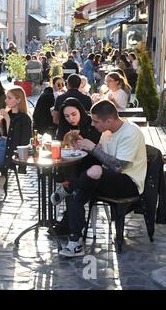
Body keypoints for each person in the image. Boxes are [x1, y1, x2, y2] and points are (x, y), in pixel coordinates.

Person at [56, 100, 146, 257]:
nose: (93, 124)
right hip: (106, 179)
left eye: (96, 121)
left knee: (95, 171)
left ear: (109, 120)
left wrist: (92, 148)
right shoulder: (106, 133)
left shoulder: (131, 132)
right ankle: (75, 242)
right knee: (77, 193)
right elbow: (102, 157)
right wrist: (84, 147)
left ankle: (68, 186)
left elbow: (118, 166)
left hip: (128, 182)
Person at [49, 97, 102, 235]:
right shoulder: (65, 127)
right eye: (66, 116)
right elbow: (60, 146)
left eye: (73, 114)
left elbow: (98, 151)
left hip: (92, 165)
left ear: (80, 111)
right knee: (67, 172)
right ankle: (70, 219)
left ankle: (68, 219)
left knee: (71, 181)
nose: (71, 119)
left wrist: (85, 144)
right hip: (72, 165)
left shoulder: (92, 124)